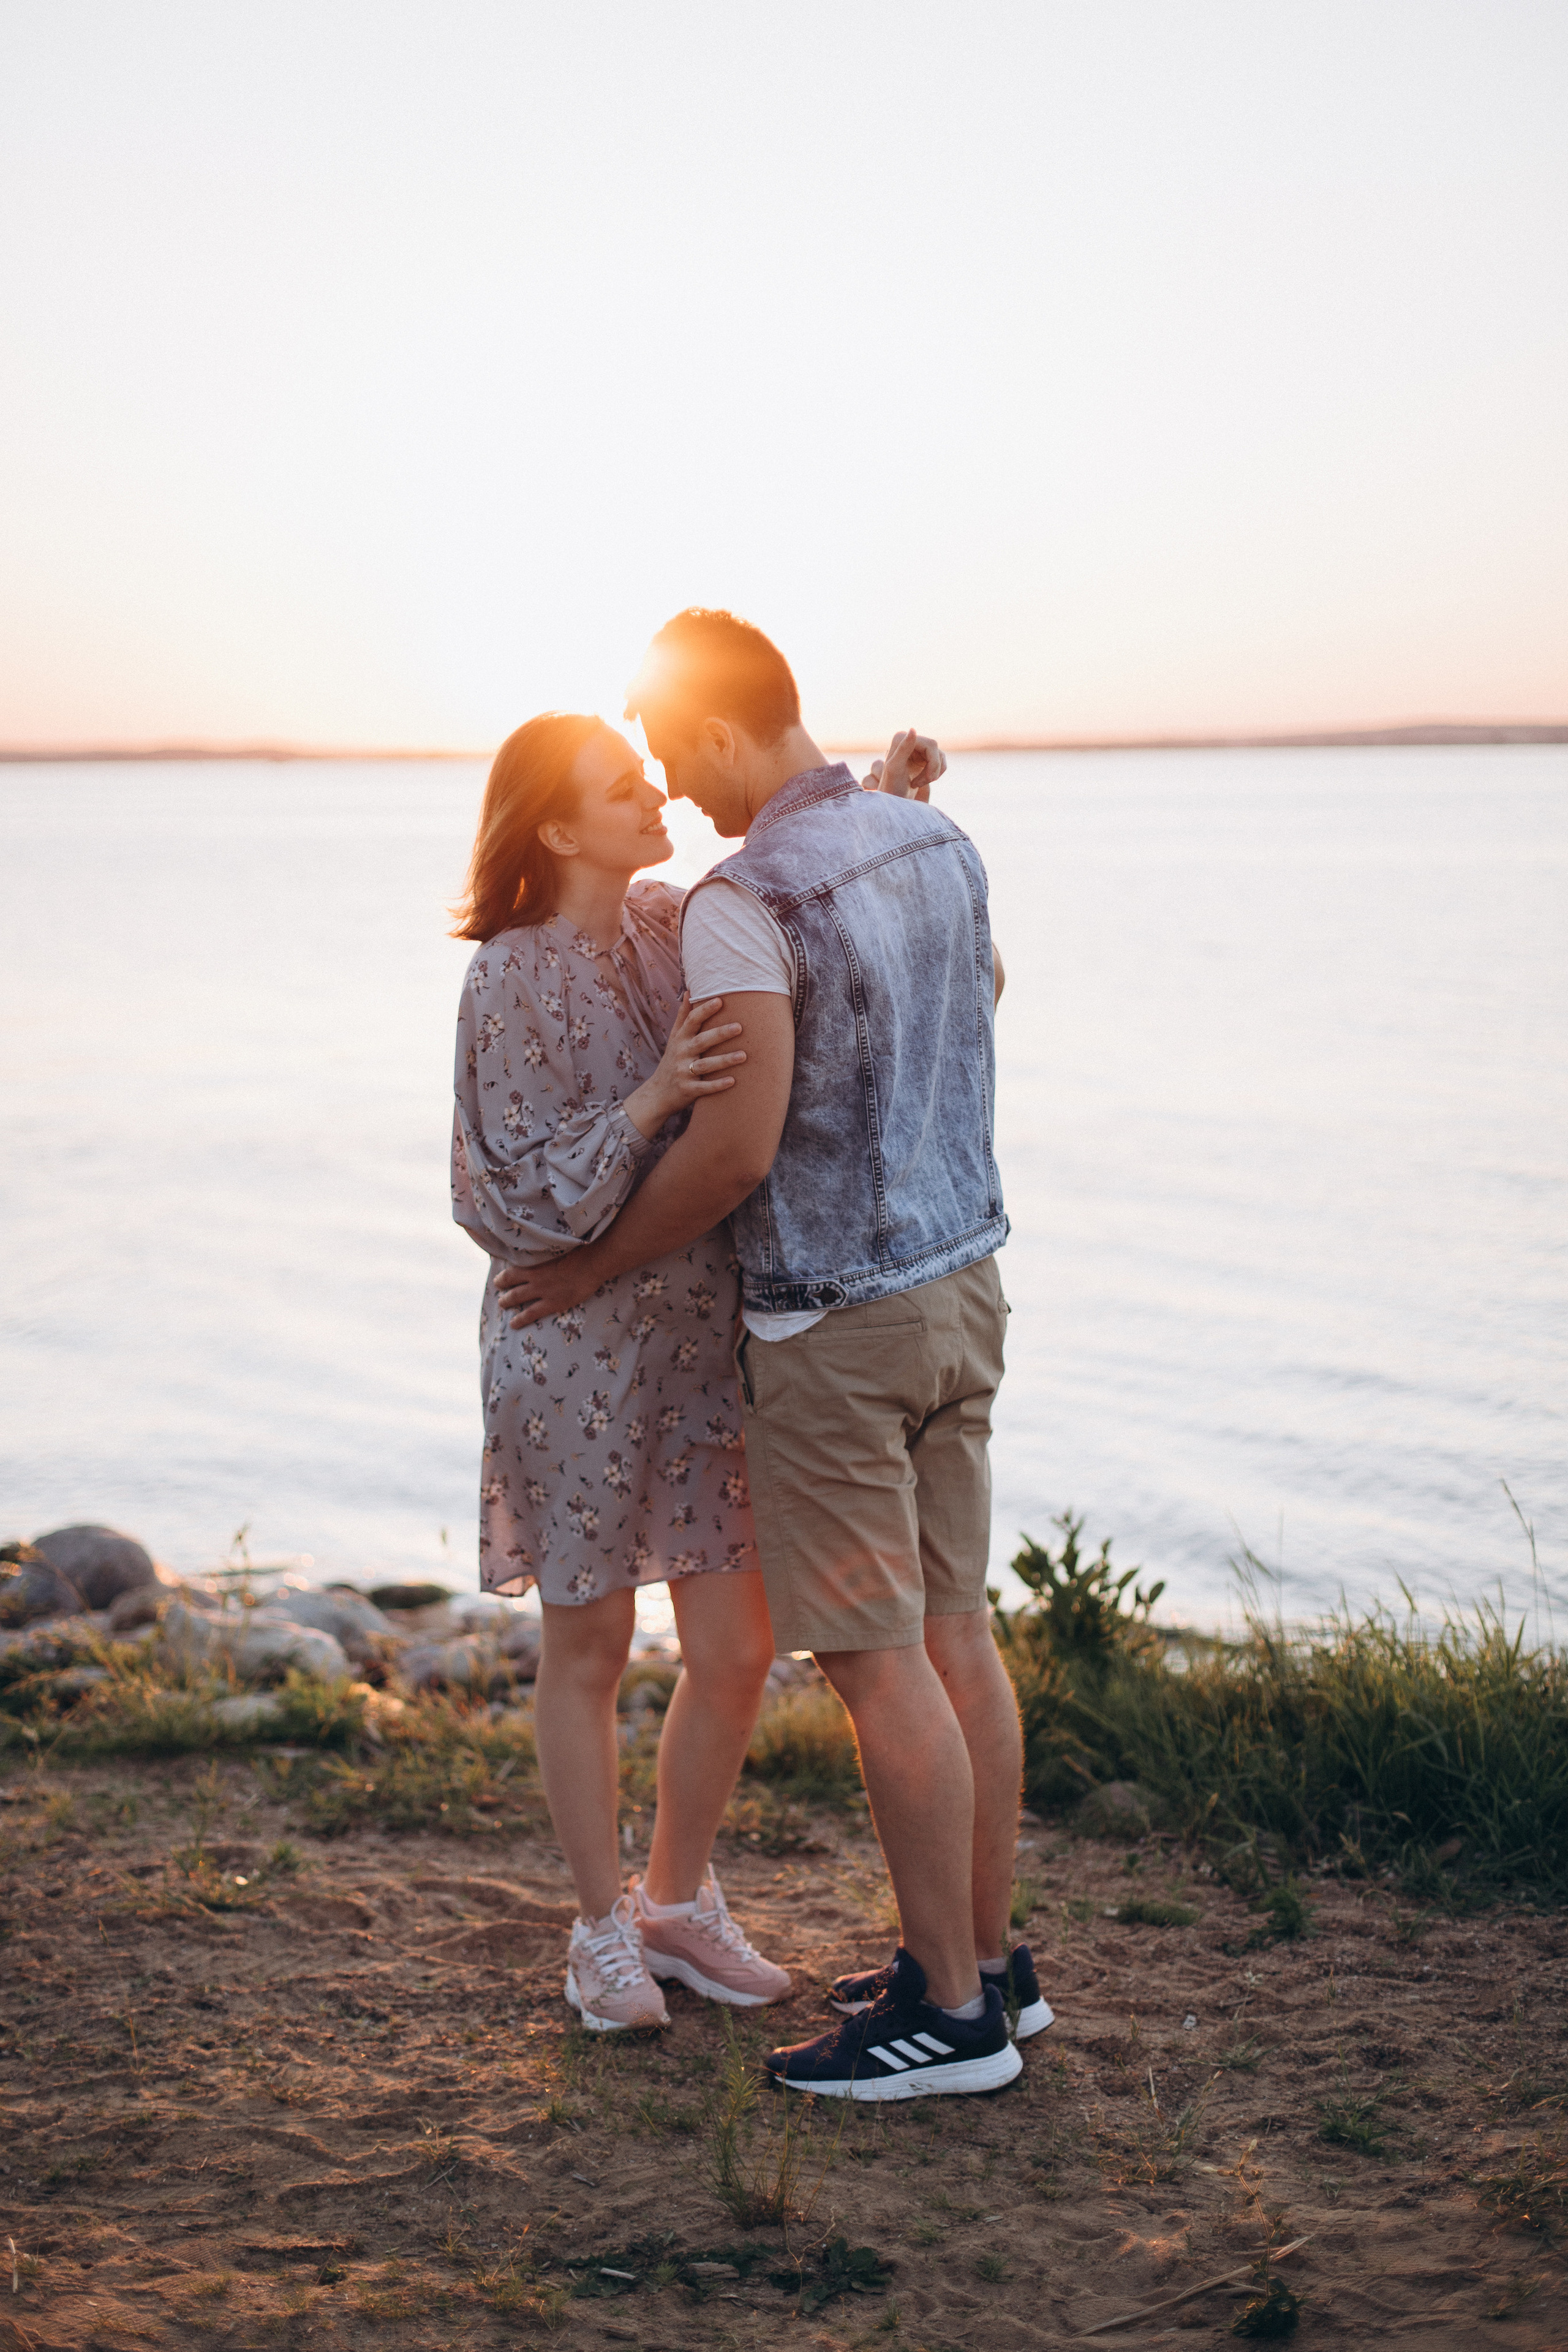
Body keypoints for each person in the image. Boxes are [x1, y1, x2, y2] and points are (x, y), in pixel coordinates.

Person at [497, 609, 1052, 2100]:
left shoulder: (743, 902)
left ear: (732, 730)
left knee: (880, 1667)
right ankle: (991, 1969)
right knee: (957, 1636)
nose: (676, 787)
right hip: (965, 1286)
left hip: (836, 1325)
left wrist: (603, 1259)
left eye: (678, 751)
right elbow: (968, 1008)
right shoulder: (934, 846)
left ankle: (945, 2015)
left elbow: (736, 1153)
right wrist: (897, 795)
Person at [450, 707, 935, 2034]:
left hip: (699, 1342)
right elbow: (508, 1203)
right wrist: (654, 1099)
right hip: (569, 1347)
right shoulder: (504, 978)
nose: (655, 790)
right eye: (621, 785)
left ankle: (674, 1904)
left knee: (737, 1644)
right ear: (555, 827)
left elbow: (815, 943)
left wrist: (873, 809)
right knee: (591, 1644)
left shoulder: (679, 923)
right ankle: (598, 1932)